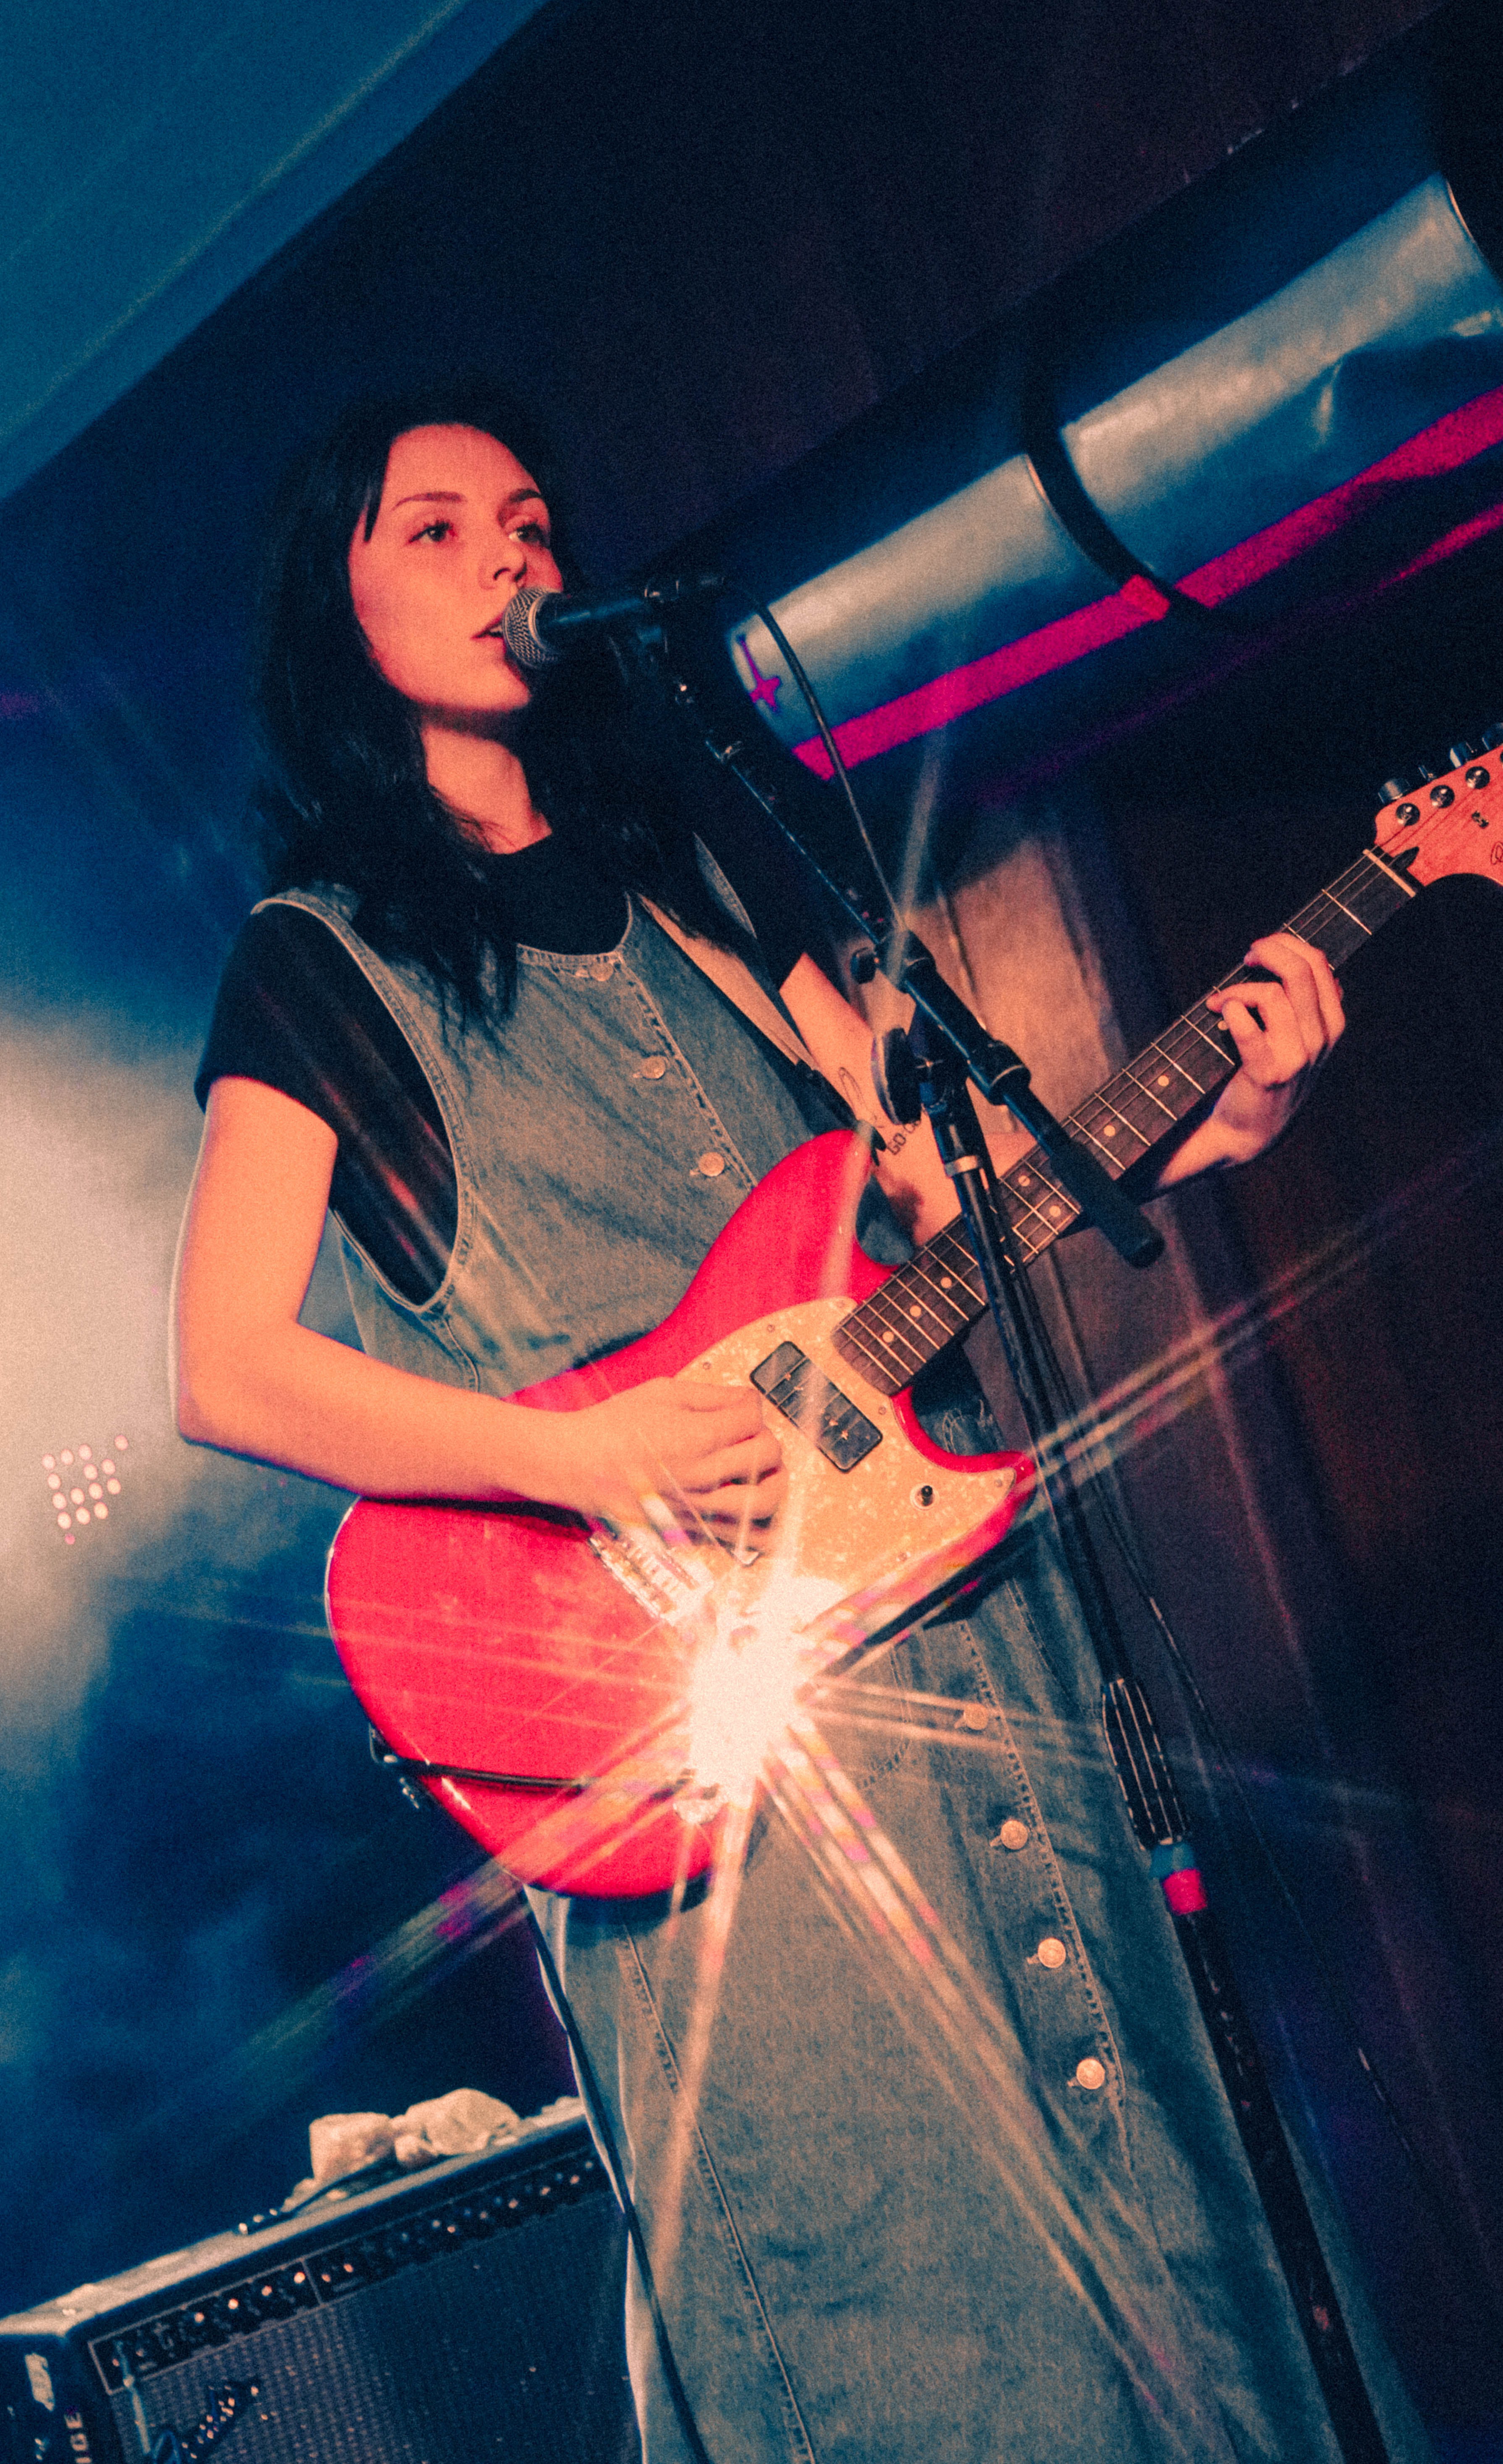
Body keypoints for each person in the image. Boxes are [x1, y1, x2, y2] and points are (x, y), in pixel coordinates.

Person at [172, 385, 1424, 2463]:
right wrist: (590, 1457)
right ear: (340, 609)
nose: (511, 554)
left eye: (532, 515)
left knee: (1180, 2229)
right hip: (697, 1729)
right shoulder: (316, 968)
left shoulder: (695, 880)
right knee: (903, 2309)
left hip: (968, 1648)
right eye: (438, 528)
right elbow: (230, 1368)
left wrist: (1223, 1111)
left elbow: (952, 1196)